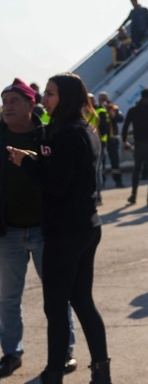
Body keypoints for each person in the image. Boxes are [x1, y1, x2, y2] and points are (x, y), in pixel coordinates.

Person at [7, 74, 111, 384]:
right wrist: (34, 158)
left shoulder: (66, 133)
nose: (44, 100)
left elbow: (56, 184)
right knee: (82, 302)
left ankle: (53, 373)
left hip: (65, 232)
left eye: (50, 94)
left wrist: (25, 165)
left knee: (55, 306)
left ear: (64, 97)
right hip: (87, 225)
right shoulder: (85, 129)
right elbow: (68, 171)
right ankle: (101, 370)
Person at [0, 80, 78, 377]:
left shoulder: (49, 136)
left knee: (57, 296)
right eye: (5, 100)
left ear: (31, 104)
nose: (7, 105)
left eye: (14, 100)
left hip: (45, 232)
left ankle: (65, 352)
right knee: (8, 297)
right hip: (7, 233)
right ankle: (11, 353)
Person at [121, 88, 148, 206]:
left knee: (137, 169)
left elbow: (125, 127)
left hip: (139, 143)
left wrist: (125, 141)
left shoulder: (133, 110)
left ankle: (133, 195)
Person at [97, 94, 123, 188]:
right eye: (101, 99)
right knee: (101, 163)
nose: (103, 101)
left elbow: (121, 119)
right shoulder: (97, 110)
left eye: (104, 99)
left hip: (113, 139)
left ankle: (118, 181)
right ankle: (101, 182)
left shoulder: (114, 108)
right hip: (102, 140)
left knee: (115, 161)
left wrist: (113, 114)